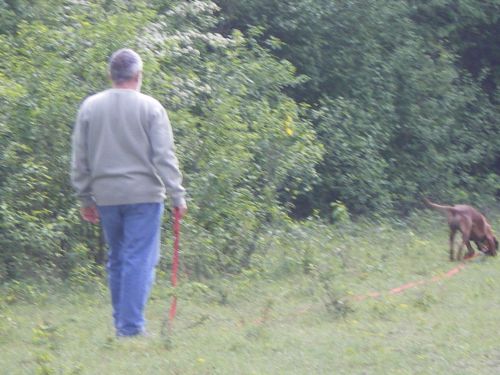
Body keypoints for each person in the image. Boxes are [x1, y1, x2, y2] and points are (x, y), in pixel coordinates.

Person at [71, 48, 187, 337]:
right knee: (139, 259)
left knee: (119, 257)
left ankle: (123, 323)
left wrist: (85, 197)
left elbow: (79, 157)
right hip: (144, 196)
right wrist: (177, 194)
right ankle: (131, 328)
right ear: (138, 75)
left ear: (112, 75)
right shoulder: (151, 107)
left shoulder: (90, 106)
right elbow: (164, 156)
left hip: (106, 197)